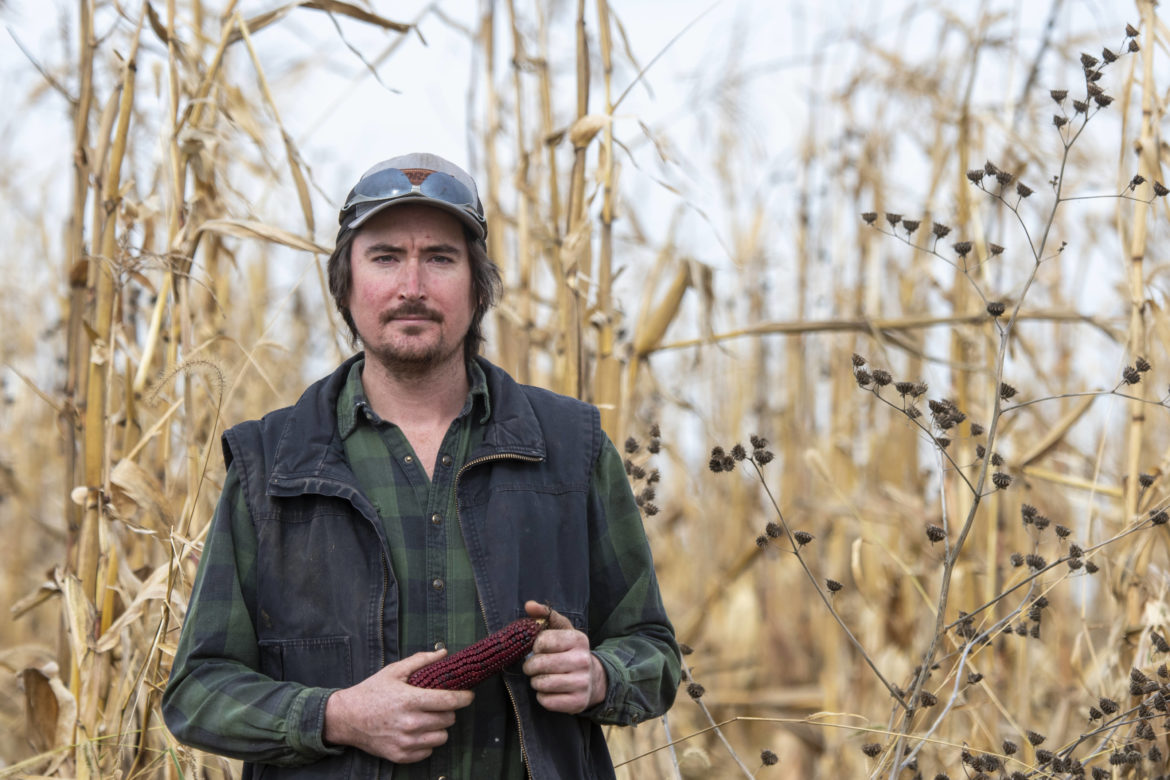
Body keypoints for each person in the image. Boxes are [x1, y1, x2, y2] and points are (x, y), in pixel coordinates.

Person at [161, 152, 681, 779]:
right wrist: (335, 715)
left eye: (440, 257)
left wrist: (600, 674)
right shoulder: (271, 462)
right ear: (346, 285)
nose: (413, 286)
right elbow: (197, 692)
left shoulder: (572, 448)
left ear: (478, 286)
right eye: (385, 257)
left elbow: (653, 652)